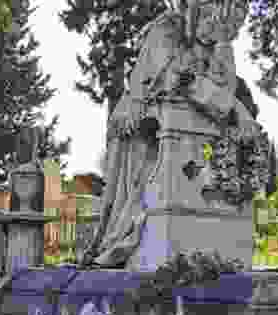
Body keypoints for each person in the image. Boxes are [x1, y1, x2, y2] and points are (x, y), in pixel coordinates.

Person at [83, 0, 257, 267]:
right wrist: (235, 108)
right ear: (198, 10)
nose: (222, 30)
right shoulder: (166, 31)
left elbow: (221, 89)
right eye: (216, 20)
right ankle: (123, 233)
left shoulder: (216, 45)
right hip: (142, 128)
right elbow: (178, 81)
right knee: (137, 197)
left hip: (178, 131)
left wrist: (223, 45)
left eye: (233, 28)